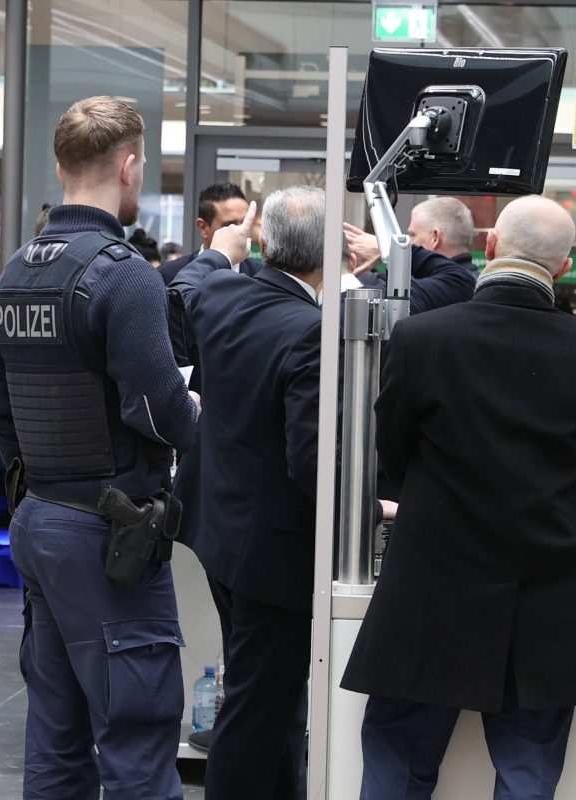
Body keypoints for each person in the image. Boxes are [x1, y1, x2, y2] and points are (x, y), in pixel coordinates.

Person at [343, 195, 576, 800]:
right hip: (552, 593)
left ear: (490, 247)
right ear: (564, 269)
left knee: (398, 758)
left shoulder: (421, 338)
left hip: (433, 586)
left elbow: (394, 453)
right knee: (528, 773)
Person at [0, 96, 198, 800]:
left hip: (40, 518)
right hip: (111, 536)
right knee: (137, 736)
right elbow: (156, 408)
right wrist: (195, 418)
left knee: (56, 737)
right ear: (130, 166)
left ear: (59, 165)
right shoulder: (124, 274)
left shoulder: (15, 272)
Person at [169, 186, 327, 799]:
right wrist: (368, 510)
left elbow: (184, 287)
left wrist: (217, 252)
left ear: (262, 241)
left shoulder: (220, 296)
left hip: (219, 530)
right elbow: (310, 457)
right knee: (259, 707)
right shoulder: (311, 330)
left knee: (274, 696)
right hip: (272, 552)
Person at [343, 195, 477, 274]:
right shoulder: (476, 284)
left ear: (435, 237)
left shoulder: (448, 287)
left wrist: (390, 250)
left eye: (413, 235)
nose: (410, 243)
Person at [158, 182, 263, 283]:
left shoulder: (261, 278)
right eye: (231, 225)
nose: (242, 231)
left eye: (245, 223)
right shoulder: (170, 275)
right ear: (203, 227)